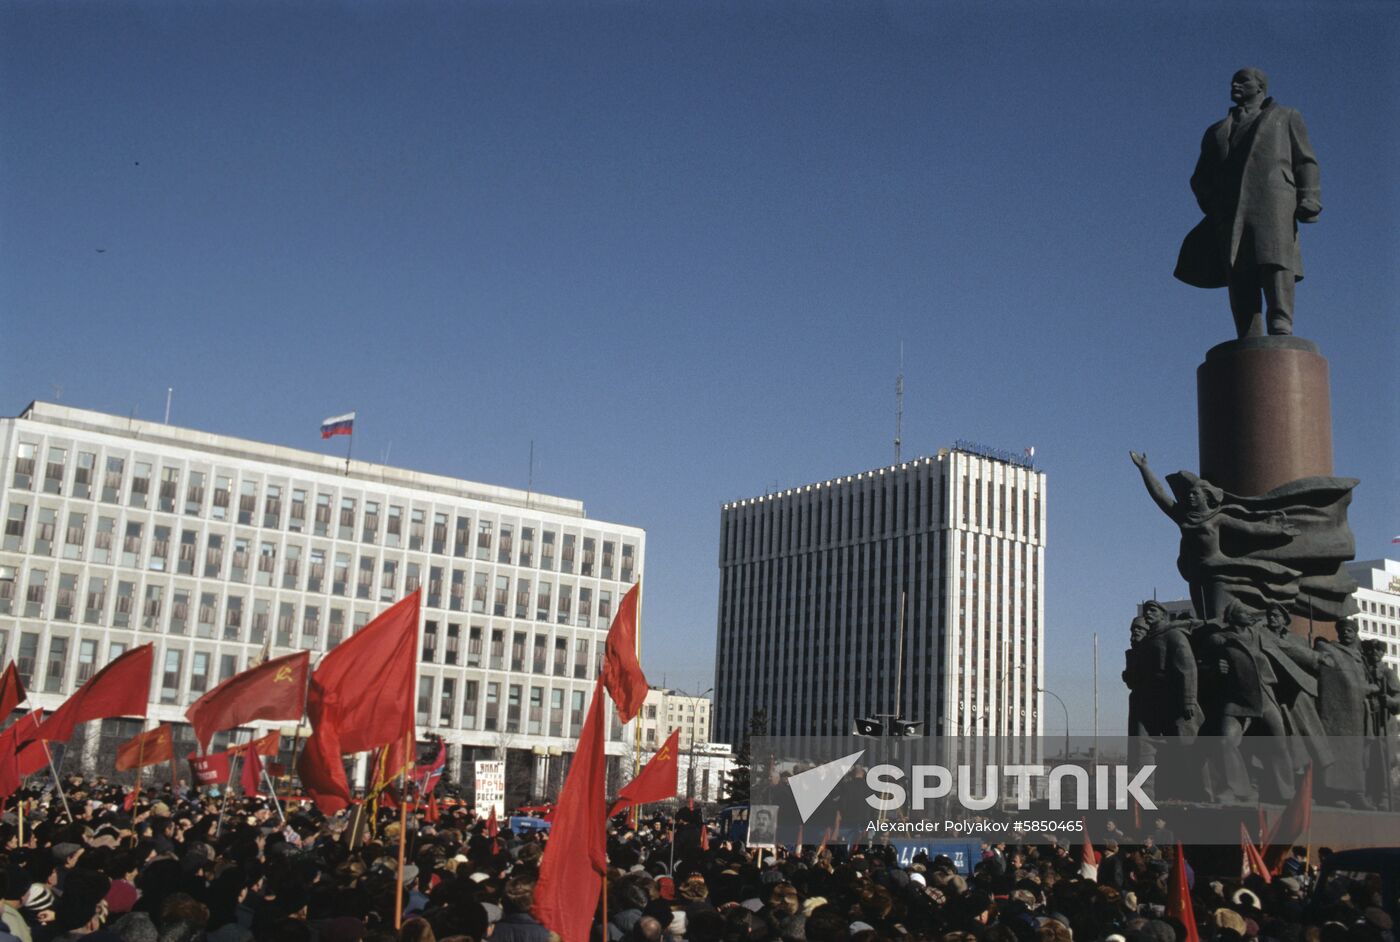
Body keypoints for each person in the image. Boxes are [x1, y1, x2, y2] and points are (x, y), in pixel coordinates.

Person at [1175, 68, 1321, 338]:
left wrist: (1310, 196)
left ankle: (1281, 321)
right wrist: (1212, 202)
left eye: (1243, 80)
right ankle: (1248, 331)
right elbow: (1200, 176)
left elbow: (1305, 161)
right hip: (1229, 209)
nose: (1235, 85)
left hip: (1274, 202)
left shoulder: (1285, 117)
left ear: (1260, 86)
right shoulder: (1217, 130)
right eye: (1233, 80)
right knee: (1238, 268)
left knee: (1275, 261)